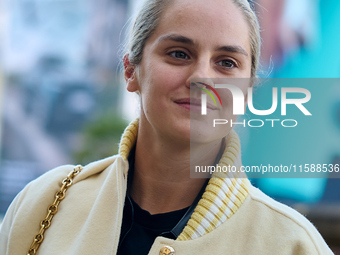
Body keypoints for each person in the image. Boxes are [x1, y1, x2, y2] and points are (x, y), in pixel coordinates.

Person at [0, 0, 334, 254]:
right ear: (131, 71)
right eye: (178, 53)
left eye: (227, 63)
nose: (202, 78)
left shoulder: (293, 244)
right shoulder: (43, 203)